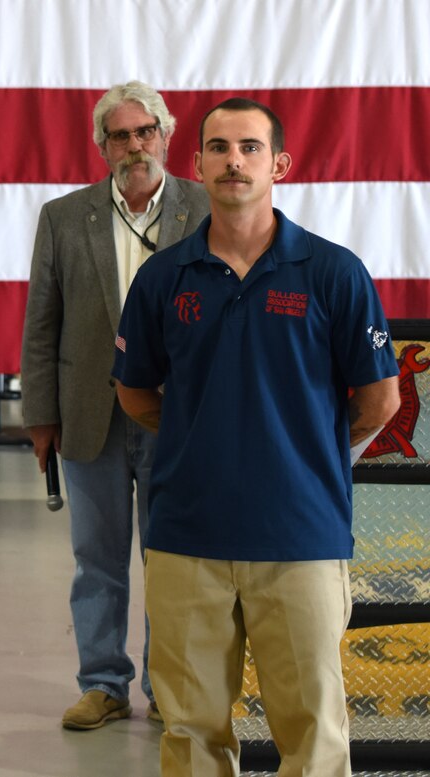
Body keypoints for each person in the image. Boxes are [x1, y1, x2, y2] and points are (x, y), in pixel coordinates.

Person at [113, 97, 400, 776]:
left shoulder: (334, 272)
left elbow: (380, 400)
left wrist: (304, 454)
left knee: (315, 736)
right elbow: (134, 390)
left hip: (299, 537)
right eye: (218, 147)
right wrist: (203, 434)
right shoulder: (162, 278)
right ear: (198, 163)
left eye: (248, 148)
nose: (232, 160)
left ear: (279, 164)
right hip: (187, 537)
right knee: (190, 731)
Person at [20, 81, 209, 730]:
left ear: (166, 134)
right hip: (89, 417)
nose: (135, 145)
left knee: (174, 559)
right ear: (102, 147)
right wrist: (40, 415)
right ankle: (103, 682)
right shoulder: (64, 217)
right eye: (120, 135)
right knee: (96, 558)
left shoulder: (209, 209)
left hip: (180, 420)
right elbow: (41, 323)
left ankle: (167, 683)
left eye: (145, 131)